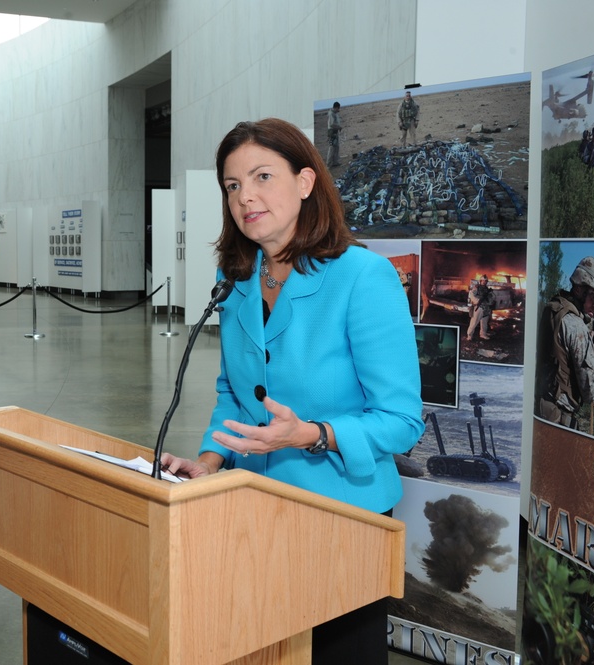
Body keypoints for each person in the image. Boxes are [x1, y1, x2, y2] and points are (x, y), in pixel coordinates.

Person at [159, 118, 424, 665]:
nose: (245, 197)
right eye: (232, 185)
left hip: (343, 524)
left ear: (305, 182)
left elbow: (402, 420)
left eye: (261, 177)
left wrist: (312, 434)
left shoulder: (363, 277)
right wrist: (208, 463)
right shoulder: (235, 279)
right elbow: (235, 394)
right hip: (254, 516)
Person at [536, 256, 594, 429]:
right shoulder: (576, 326)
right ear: (581, 289)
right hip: (558, 417)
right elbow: (590, 391)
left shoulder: (553, 307)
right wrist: (593, 348)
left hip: (541, 403)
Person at [465, 274, 496, 341]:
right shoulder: (476, 288)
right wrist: (478, 301)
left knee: (484, 322)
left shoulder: (487, 289)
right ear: (480, 281)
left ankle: (483, 334)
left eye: (485, 281)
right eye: (483, 281)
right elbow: (471, 295)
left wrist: (490, 301)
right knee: (474, 322)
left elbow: (492, 297)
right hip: (479, 307)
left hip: (486, 308)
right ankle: (469, 336)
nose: (484, 282)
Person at [326, 101, 342, 167]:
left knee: (336, 147)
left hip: (335, 132)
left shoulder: (335, 113)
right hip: (332, 132)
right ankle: (329, 163)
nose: (339, 110)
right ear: (336, 107)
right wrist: (339, 127)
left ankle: (335, 162)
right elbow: (332, 124)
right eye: (338, 108)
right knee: (332, 148)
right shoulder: (331, 114)